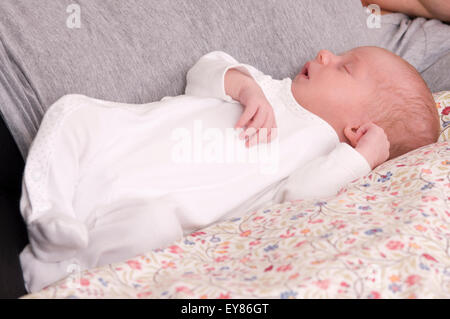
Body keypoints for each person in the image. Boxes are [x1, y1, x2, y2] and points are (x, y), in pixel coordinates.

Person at [19, 46, 440, 292]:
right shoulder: (269, 87)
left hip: (150, 208)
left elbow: (298, 199)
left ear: (357, 129)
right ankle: (48, 211)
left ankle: (59, 267)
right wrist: (243, 85)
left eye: (345, 67)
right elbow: (204, 70)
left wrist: (359, 159)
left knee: (153, 230)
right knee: (73, 115)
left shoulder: (320, 160)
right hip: (125, 142)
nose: (326, 54)